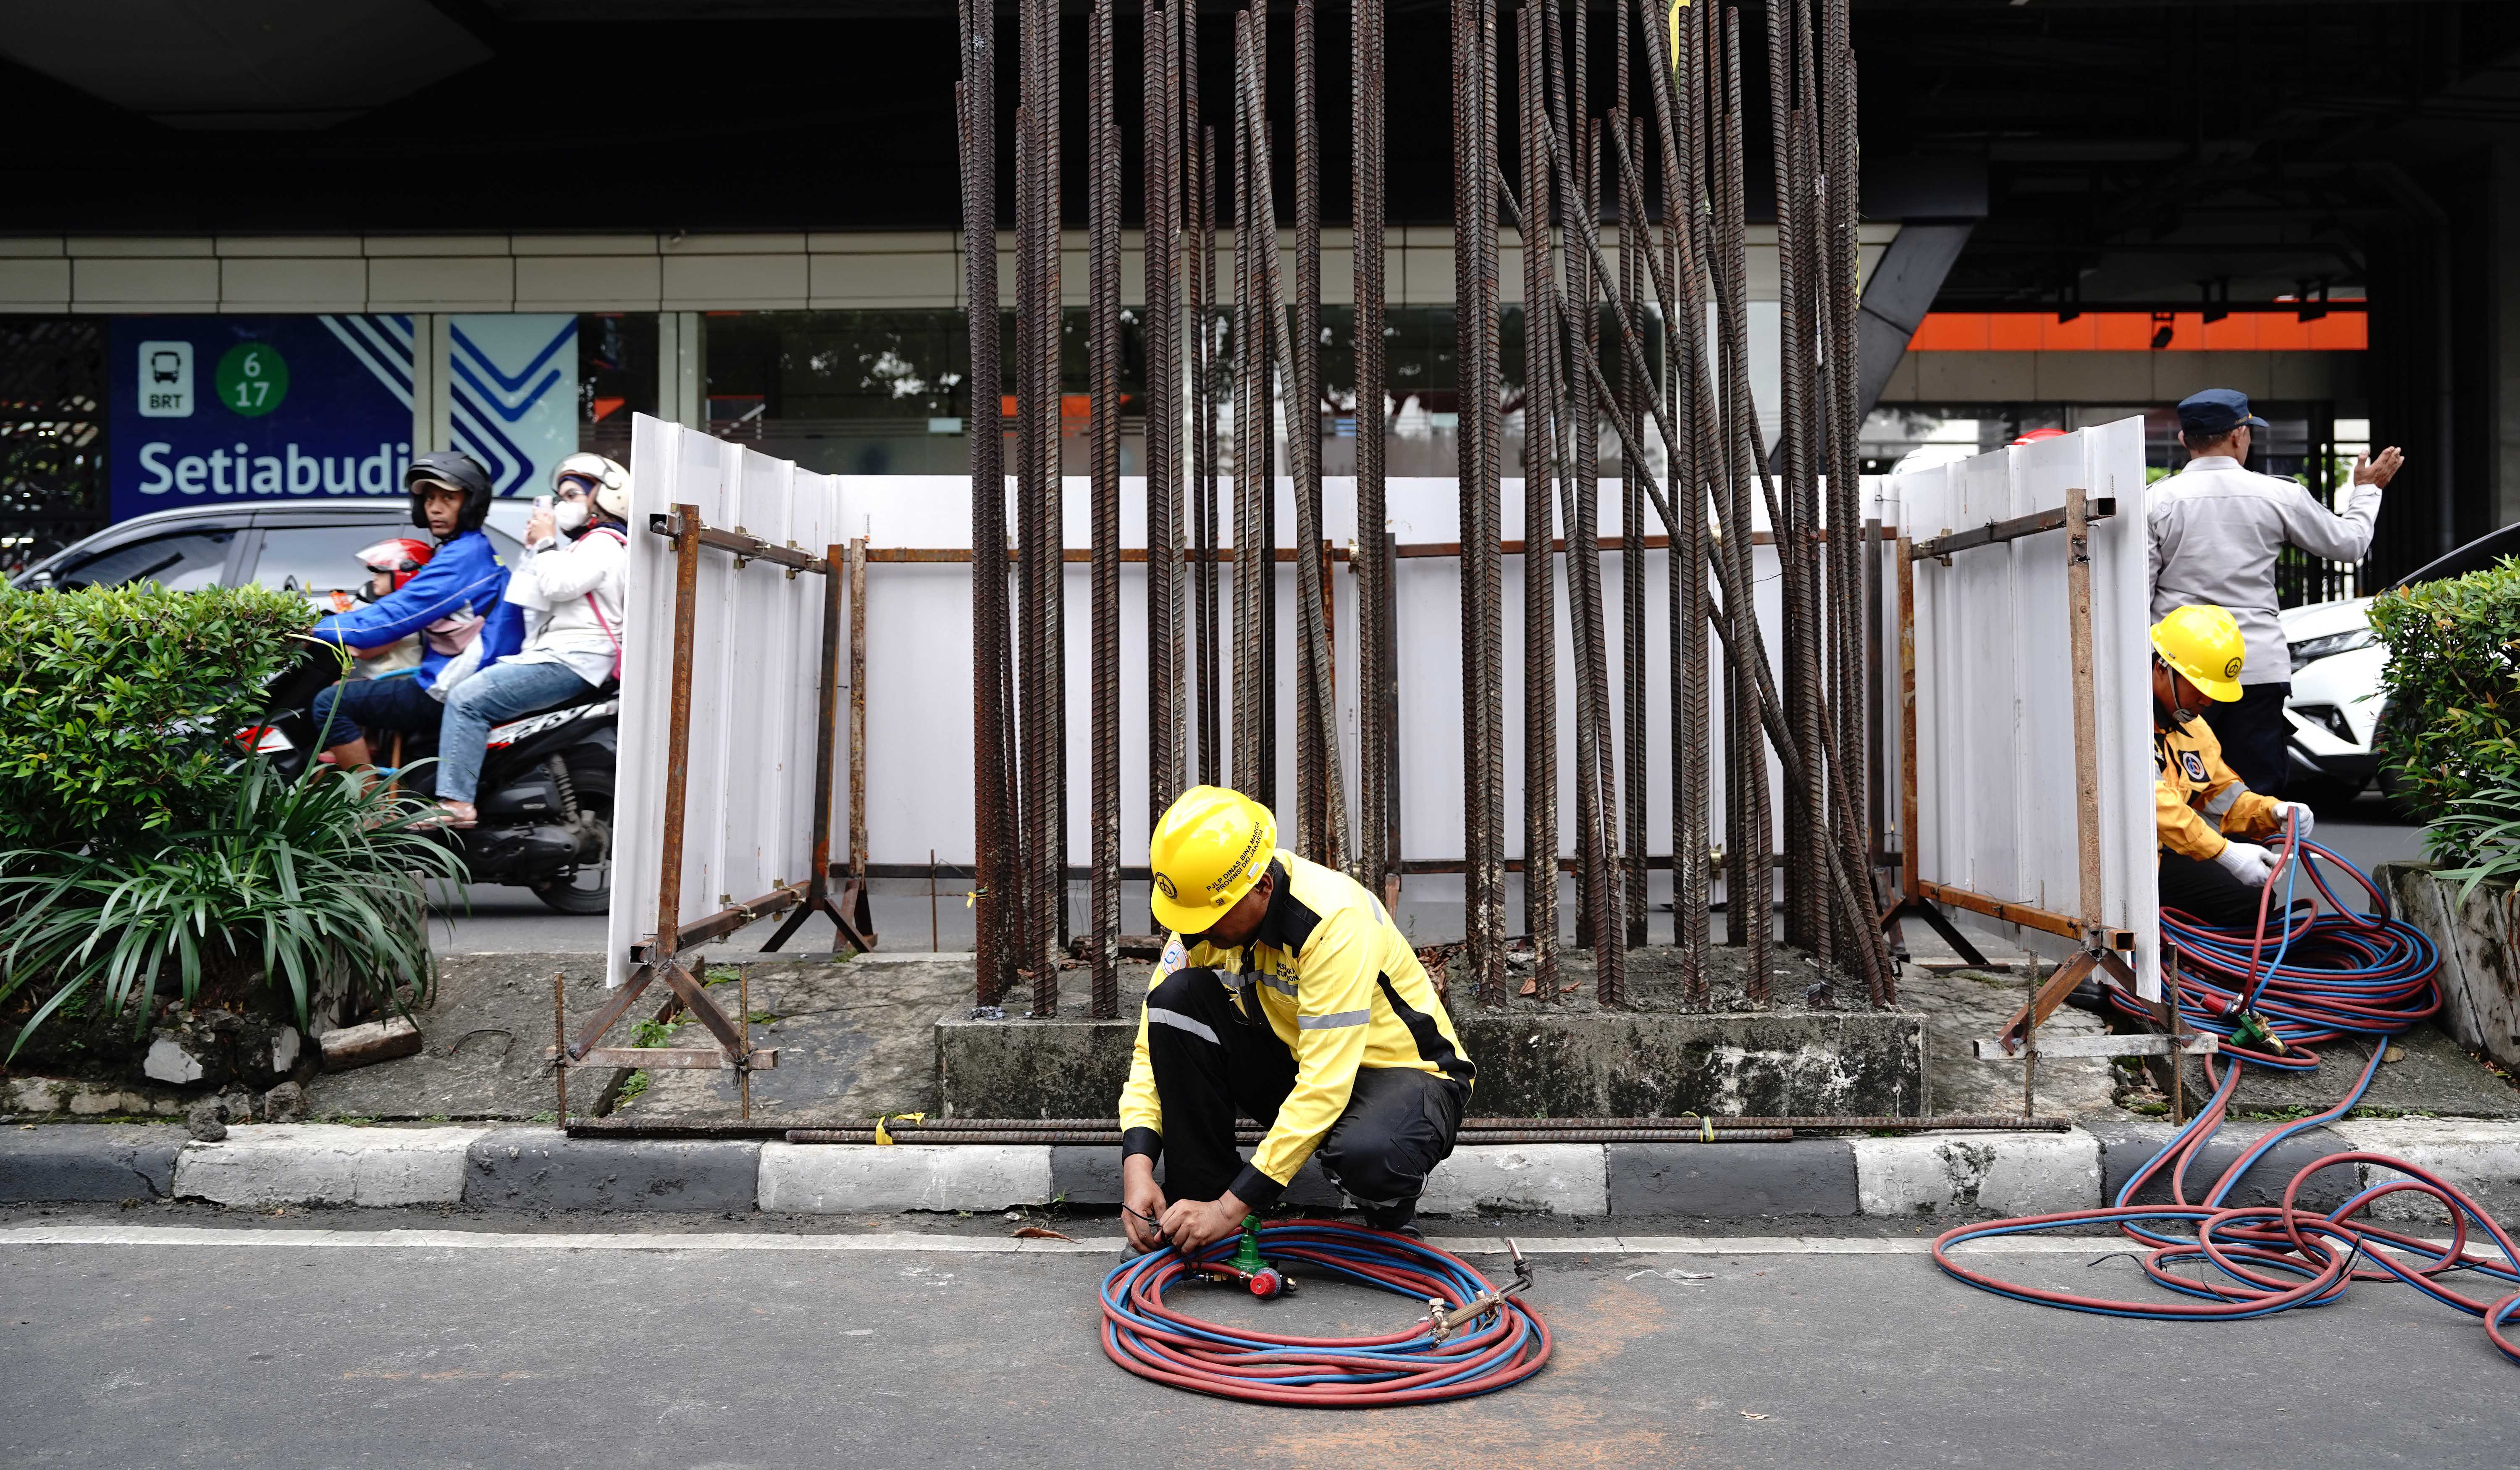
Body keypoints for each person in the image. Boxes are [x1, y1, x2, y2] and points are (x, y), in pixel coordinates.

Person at [1118, 787, 1474, 1253]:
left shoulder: (1333, 921)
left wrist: (1230, 1210)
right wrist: (1137, 1168)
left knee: (1370, 1154)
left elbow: (1325, 1085)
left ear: (1263, 886)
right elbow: (1152, 1045)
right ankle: (1194, 1212)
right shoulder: (1208, 915)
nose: (1196, 932)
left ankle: (1389, 1209)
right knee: (1176, 1000)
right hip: (1303, 1060)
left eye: (1211, 917)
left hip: (1407, 1078)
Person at [2147, 388, 2404, 795]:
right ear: (2237, 436)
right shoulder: (2279, 494)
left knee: (2183, 791)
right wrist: (2367, 490)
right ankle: (2268, 860)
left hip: (2181, 678)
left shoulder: (2156, 501)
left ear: (2184, 440)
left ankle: (2198, 860)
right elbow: (2350, 544)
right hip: (2255, 667)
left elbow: (2137, 597)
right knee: (2259, 795)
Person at [428, 454, 630, 827]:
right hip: (558, 655)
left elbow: (558, 585)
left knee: (467, 700)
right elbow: (529, 600)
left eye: (572, 496)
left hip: (574, 659)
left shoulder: (604, 542)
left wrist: (546, 544)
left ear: (606, 499)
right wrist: (536, 548)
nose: (560, 506)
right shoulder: (580, 547)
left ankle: (456, 804)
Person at [305, 452, 523, 765]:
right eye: (430, 498)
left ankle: (368, 811)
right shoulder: (467, 551)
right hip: (462, 676)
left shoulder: (462, 559)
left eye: (448, 498)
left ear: (472, 502)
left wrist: (311, 629)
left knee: (330, 703)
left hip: (448, 685)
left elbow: (390, 618)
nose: (434, 507)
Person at [2151, 604, 2317, 929]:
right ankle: (2207, 972)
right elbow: (2152, 806)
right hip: (2115, 867)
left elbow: (2223, 794)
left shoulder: (2191, 727)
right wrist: (2224, 853)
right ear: (2162, 667)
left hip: (2161, 853)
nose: (2207, 702)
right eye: (2201, 688)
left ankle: (2208, 970)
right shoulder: (2120, 716)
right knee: (2242, 894)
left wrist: (2273, 812)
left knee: (2254, 884)